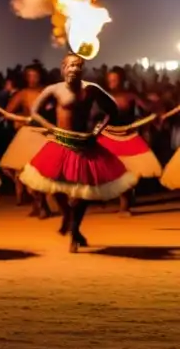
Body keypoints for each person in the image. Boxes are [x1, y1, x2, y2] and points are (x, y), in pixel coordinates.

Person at [19, 54, 137, 252]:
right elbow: (35, 112)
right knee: (55, 188)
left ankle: (74, 230)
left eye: (78, 66)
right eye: (70, 65)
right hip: (60, 144)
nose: (74, 69)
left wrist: (97, 131)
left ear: (82, 69)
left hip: (85, 144)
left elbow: (112, 109)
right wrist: (52, 128)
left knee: (84, 192)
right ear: (63, 68)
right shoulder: (54, 89)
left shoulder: (91, 89)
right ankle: (67, 214)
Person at [99, 67, 160, 215]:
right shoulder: (102, 96)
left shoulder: (130, 95)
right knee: (103, 169)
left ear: (122, 80)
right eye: (110, 79)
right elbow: (95, 114)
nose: (112, 82)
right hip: (108, 135)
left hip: (127, 136)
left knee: (126, 173)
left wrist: (156, 103)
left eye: (115, 79)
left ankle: (124, 205)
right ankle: (113, 199)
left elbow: (148, 107)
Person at [0, 65, 53, 216]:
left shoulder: (48, 91)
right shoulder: (23, 93)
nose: (32, 78)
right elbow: (8, 111)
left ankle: (43, 204)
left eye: (35, 75)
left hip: (44, 133)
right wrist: (20, 118)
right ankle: (36, 203)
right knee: (19, 170)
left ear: (40, 76)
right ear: (26, 78)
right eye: (29, 75)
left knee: (40, 171)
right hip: (27, 134)